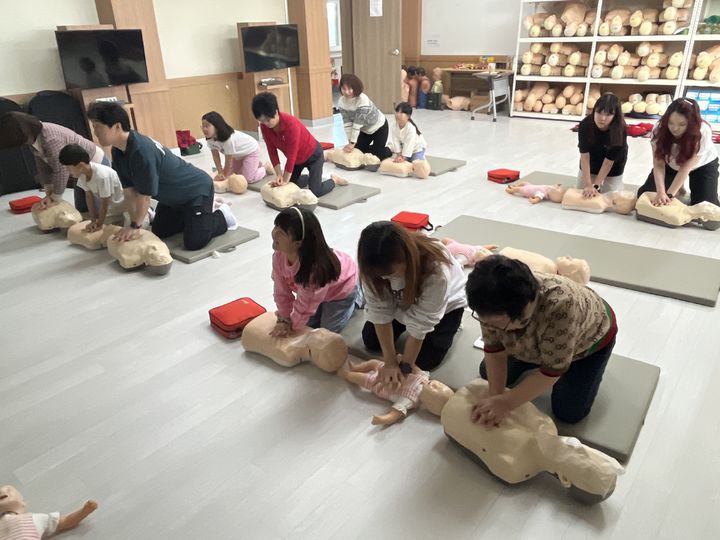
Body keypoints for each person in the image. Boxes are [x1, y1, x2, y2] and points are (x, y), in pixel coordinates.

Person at [465, 255, 617, 427]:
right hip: (534, 341)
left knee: (568, 413)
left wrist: (507, 402)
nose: (489, 326)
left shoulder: (561, 306)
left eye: (498, 323)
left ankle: (564, 364)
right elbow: (495, 352)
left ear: (522, 311)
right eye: (484, 320)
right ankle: (537, 359)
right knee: (487, 373)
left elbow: (551, 372)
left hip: (587, 343)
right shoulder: (490, 304)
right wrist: (495, 398)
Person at [87, 101, 235, 250]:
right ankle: (194, 219)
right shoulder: (117, 152)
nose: (95, 132)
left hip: (196, 191)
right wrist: (132, 225)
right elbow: (130, 193)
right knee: (160, 231)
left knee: (194, 242)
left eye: (98, 126)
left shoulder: (141, 151)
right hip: (173, 198)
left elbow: (144, 197)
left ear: (117, 126)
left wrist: (135, 226)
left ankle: (221, 215)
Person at [358, 221, 467, 385]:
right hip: (401, 305)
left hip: (447, 307)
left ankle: (454, 326)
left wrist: (405, 368)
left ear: (406, 258)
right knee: (370, 340)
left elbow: (420, 325)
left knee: (425, 361)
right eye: (380, 275)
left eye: (390, 273)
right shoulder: (372, 267)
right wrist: (390, 362)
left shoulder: (435, 270)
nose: (384, 279)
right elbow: (379, 311)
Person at [271, 207, 362, 336]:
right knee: (308, 325)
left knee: (326, 332)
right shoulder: (278, 256)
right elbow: (281, 291)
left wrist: (291, 328)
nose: (274, 233)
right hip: (318, 293)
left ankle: (358, 297)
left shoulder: (313, 270)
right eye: (276, 226)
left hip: (341, 290)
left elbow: (305, 307)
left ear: (298, 243)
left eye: (282, 232)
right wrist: (284, 319)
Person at [0, 111, 109, 212]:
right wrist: (48, 192)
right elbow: (43, 166)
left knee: (97, 208)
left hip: (94, 163)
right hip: (76, 169)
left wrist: (55, 197)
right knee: (82, 207)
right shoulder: (32, 139)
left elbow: (61, 170)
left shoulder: (50, 138)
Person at [252, 92, 346, 198]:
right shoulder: (265, 127)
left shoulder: (291, 124)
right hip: (297, 161)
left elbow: (292, 155)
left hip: (313, 156)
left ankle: (334, 180)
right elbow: (271, 151)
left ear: (276, 112)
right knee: (291, 185)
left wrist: (285, 180)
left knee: (315, 191)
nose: (266, 124)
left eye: (268, 120)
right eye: (262, 121)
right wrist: (279, 175)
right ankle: (309, 178)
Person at [637, 97, 719, 207]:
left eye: (682, 124)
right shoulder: (659, 129)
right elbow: (659, 164)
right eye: (670, 123)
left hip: (702, 166)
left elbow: (685, 168)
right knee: (644, 194)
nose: (674, 128)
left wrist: (669, 195)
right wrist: (661, 192)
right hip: (671, 164)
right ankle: (679, 188)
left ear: (691, 123)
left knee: (705, 206)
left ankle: (681, 188)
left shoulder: (702, 131)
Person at [58, 144, 124, 232]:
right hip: (109, 209)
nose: (67, 171)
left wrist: (99, 224)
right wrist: (93, 220)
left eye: (68, 168)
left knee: (110, 231)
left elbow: (105, 203)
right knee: (91, 226)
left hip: (120, 208)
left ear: (81, 165)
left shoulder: (102, 176)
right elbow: (89, 197)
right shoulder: (82, 174)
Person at [577, 93, 628, 198]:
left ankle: (617, 185)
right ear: (594, 110)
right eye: (599, 112)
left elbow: (608, 162)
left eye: (608, 114)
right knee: (581, 192)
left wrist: (596, 185)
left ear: (615, 116)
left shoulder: (620, 130)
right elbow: (584, 156)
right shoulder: (585, 125)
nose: (603, 118)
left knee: (611, 197)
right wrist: (588, 184)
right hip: (591, 160)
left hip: (614, 164)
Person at [201, 111, 271, 184]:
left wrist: (224, 175)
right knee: (233, 175)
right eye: (203, 126)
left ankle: (265, 167)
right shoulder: (210, 139)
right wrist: (220, 172)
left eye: (207, 126)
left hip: (251, 151)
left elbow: (228, 158)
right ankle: (254, 165)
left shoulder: (228, 139)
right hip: (237, 155)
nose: (204, 129)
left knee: (248, 179)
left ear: (217, 126)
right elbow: (215, 156)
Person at [337, 73, 389, 160]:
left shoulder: (362, 100)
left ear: (355, 87)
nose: (346, 92)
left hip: (379, 127)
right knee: (358, 151)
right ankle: (376, 148)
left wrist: (352, 143)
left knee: (377, 157)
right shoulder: (341, 102)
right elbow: (347, 123)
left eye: (349, 89)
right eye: (343, 89)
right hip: (364, 130)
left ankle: (388, 149)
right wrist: (350, 142)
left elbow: (357, 124)